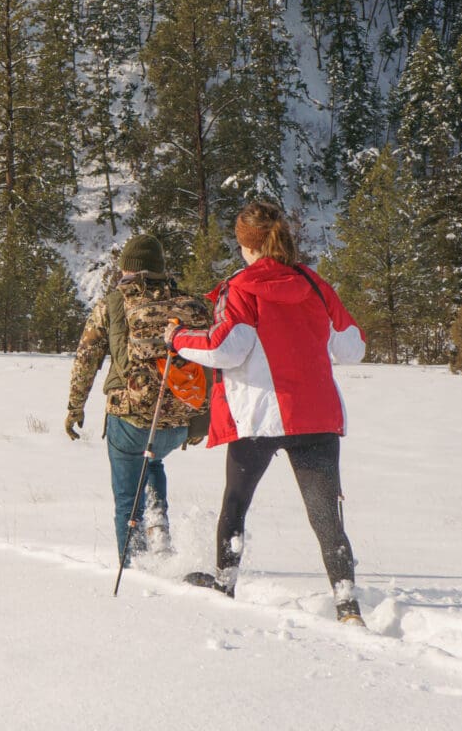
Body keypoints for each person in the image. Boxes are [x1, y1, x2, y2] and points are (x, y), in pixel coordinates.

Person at [164, 200, 368, 626]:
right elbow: (353, 347)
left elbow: (225, 347)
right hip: (315, 416)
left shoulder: (241, 288)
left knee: (236, 503)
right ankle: (346, 604)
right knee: (326, 515)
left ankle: (225, 583)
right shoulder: (314, 285)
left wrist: (178, 337)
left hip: (259, 416)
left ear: (245, 245)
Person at [67, 234, 213, 566]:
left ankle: (133, 564)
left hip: (131, 420)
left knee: (125, 498)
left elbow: (86, 359)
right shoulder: (189, 304)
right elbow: (213, 361)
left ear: (128, 270)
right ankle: (159, 529)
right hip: (178, 423)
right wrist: (201, 419)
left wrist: (75, 407)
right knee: (154, 461)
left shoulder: (113, 304)